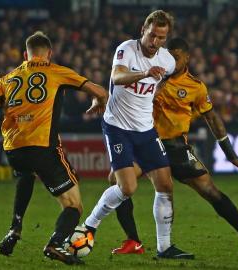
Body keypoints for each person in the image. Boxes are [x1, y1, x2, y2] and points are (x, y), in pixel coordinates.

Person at [0, 31, 107, 265]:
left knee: (26, 174)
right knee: (74, 205)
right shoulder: (56, 71)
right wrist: (97, 101)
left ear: (25, 55)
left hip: (13, 149)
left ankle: (15, 227)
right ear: (49, 54)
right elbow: (101, 91)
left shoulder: (9, 78)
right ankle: (55, 243)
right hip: (43, 146)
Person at [109, 38, 238, 255]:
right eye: (169, 56)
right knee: (117, 180)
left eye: (176, 57)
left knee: (210, 190)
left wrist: (229, 153)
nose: (171, 61)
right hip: (147, 142)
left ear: (187, 58)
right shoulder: (151, 76)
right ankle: (133, 241)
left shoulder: (195, 87)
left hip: (176, 146)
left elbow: (212, 118)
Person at [83, 10, 194, 259]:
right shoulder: (127, 49)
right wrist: (144, 73)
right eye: (152, 35)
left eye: (161, 38)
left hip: (145, 129)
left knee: (165, 185)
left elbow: (165, 81)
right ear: (143, 30)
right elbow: (117, 76)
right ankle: (89, 226)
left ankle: (164, 247)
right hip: (118, 127)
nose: (155, 42)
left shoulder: (167, 61)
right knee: (127, 187)